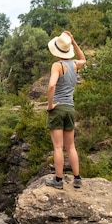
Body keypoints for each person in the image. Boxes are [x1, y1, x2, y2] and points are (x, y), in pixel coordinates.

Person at [45, 30, 86, 189]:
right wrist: (74, 42)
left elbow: (51, 85)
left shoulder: (57, 65)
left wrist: (49, 105)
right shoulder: (75, 65)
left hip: (57, 108)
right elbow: (83, 59)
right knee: (71, 146)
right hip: (70, 108)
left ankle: (59, 181)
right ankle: (77, 179)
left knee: (57, 147)